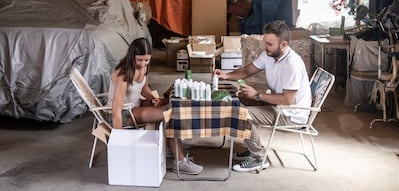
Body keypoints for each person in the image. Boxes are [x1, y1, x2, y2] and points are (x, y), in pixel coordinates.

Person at [214, 20, 311, 172]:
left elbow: (287, 100)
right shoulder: (270, 54)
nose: (266, 47)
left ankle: (258, 157)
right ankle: (253, 146)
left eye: (270, 44)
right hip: (278, 104)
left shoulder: (292, 64)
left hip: (290, 113)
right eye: (265, 43)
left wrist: (257, 96)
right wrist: (226, 75)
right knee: (236, 101)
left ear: (284, 44)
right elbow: (247, 71)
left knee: (240, 114)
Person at [107, 37, 203, 175]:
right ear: (131, 55)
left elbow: (143, 88)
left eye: (146, 60)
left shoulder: (144, 67)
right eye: (139, 60)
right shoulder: (123, 74)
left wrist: (153, 98)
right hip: (122, 114)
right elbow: (116, 110)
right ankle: (179, 161)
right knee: (170, 112)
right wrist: (119, 141)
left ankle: (170, 147)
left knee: (170, 103)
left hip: (134, 106)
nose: (143, 63)